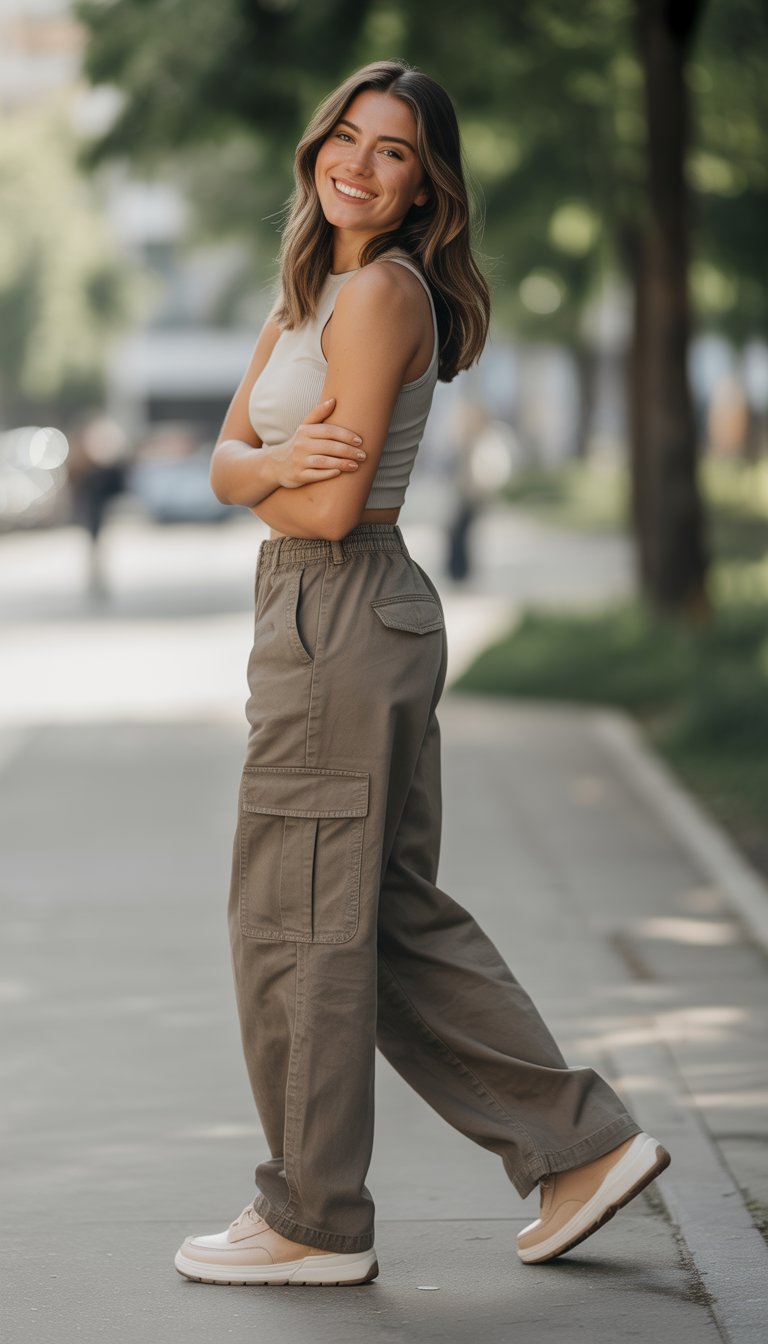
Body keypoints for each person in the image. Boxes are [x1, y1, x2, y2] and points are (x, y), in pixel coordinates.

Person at [174, 59, 670, 1288]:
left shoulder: (384, 296)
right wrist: (265, 462)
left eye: (393, 151)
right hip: (323, 616)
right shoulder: (311, 291)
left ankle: (311, 1217)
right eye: (348, 134)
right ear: (317, 147)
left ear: (424, 189)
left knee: (293, 922)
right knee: (374, 917)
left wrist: (264, 467)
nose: (359, 161)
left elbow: (330, 507)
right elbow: (223, 461)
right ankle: (578, 1151)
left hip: (337, 608)